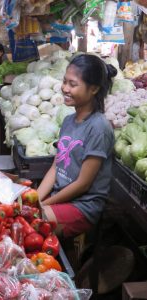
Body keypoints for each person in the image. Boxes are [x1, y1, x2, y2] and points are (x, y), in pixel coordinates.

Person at [37, 54, 117, 238]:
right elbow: (56, 167)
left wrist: (44, 205)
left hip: (83, 206)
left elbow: (83, 184)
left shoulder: (99, 127)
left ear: (94, 89)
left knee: (32, 222)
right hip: (62, 197)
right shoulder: (68, 121)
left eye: (73, 84)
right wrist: (35, 199)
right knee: (24, 213)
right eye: (64, 82)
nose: (64, 88)